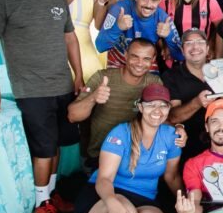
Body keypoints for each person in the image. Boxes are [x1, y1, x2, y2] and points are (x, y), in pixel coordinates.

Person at [25, 84, 185, 213]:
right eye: (151, 105)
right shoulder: (121, 132)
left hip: (144, 198)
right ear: (140, 107)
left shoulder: (172, 136)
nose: (157, 110)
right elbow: (104, 179)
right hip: (104, 194)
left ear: (169, 109)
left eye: (163, 105)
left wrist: (185, 201)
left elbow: (172, 177)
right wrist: (112, 202)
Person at [0, 0, 83, 213]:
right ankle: (41, 204)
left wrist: (77, 75)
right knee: (44, 149)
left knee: (58, 145)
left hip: (62, 84)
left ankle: (51, 194)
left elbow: (70, 38)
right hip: (31, 90)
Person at [68, 38, 163, 169]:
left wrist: (179, 127)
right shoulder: (102, 77)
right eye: (135, 57)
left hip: (134, 157)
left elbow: (163, 119)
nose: (140, 63)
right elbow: (72, 116)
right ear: (126, 55)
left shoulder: (154, 83)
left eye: (146, 59)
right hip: (99, 156)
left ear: (153, 60)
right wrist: (93, 97)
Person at [95, 0, 184, 72]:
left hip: (145, 66)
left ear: (159, 1)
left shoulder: (163, 18)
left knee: (155, 81)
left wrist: (168, 36)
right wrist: (118, 27)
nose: (148, 4)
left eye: (154, 0)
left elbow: (180, 56)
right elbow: (100, 46)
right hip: (119, 63)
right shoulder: (119, 9)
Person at [163, 29, 216, 163]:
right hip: (186, 144)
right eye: (189, 43)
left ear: (207, 48)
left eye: (200, 42)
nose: (195, 47)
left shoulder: (220, 71)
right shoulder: (171, 76)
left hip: (220, 142)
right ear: (182, 50)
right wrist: (197, 102)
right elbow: (173, 116)